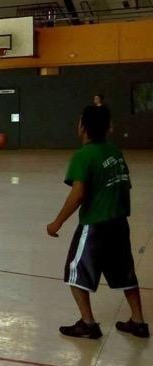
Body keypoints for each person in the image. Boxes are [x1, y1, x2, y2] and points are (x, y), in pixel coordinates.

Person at [47, 106, 149, 339]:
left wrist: (57, 222)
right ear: (108, 127)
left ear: (82, 126)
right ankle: (138, 321)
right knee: (126, 273)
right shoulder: (114, 152)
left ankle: (88, 323)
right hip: (119, 223)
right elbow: (125, 186)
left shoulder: (84, 155)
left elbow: (78, 193)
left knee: (75, 271)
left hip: (95, 225)